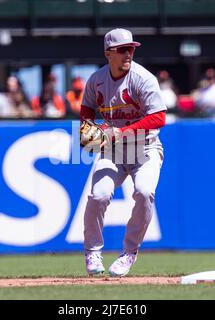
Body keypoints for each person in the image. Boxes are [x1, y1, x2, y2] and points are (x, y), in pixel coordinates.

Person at [80, 28, 167, 277]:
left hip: (145, 148)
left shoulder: (143, 78)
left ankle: (129, 252)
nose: (128, 53)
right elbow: (86, 109)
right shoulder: (97, 80)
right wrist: (90, 135)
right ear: (108, 53)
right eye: (122, 50)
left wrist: (123, 131)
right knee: (98, 195)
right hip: (114, 151)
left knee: (144, 192)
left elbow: (159, 117)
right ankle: (92, 251)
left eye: (131, 49)